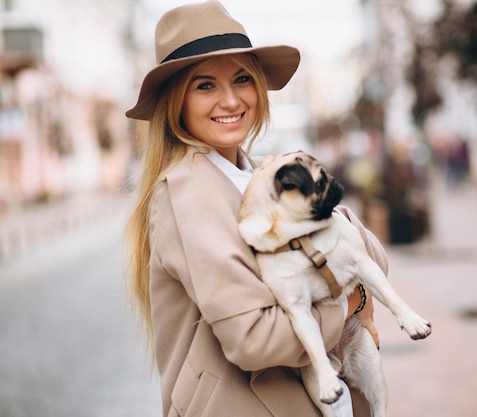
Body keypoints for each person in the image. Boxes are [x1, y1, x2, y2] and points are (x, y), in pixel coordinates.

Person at [123, 2, 385, 417]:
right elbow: (254, 339)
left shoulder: (248, 175)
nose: (230, 99)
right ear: (177, 101)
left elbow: (372, 259)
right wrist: (350, 305)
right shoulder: (190, 190)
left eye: (241, 78)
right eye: (205, 85)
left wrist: (320, 207)